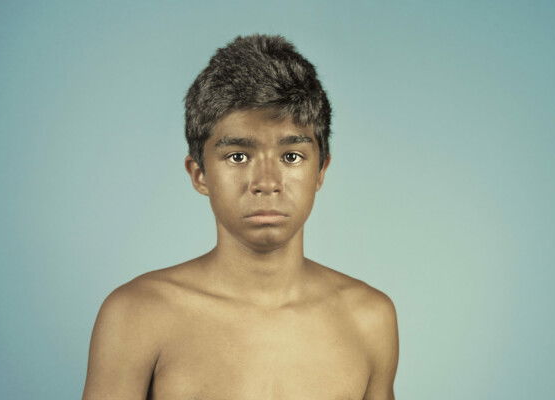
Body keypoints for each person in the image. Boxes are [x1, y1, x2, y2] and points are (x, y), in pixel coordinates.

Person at [82, 34, 399, 400]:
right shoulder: (137, 315)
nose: (266, 183)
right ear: (199, 174)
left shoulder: (370, 320)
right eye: (238, 156)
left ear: (321, 171)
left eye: (291, 156)